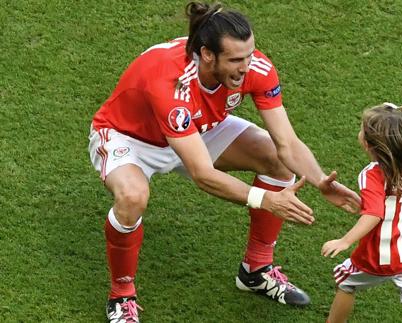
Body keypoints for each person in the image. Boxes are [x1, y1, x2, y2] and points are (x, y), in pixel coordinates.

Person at [88, 1, 361, 322]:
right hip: (129, 138)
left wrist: (318, 181)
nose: (246, 67)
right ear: (207, 55)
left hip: (196, 128)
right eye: (235, 59)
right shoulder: (170, 81)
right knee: (133, 197)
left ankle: (255, 270)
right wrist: (265, 199)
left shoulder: (255, 68)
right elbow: (202, 174)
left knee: (276, 160)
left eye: (249, 55)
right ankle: (122, 295)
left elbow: (287, 143)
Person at [321, 103, 402, 323]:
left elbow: (374, 213)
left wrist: (345, 241)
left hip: (378, 256)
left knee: (346, 283)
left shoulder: (372, 174)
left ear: (367, 143)